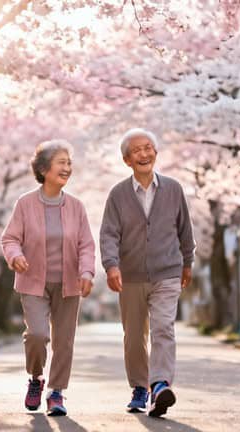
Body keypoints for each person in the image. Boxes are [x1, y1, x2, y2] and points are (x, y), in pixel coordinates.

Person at [99, 128, 195, 417]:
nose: (144, 154)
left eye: (149, 148)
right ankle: (139, 387)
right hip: (130, 276)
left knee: (163, 327)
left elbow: (185, 229)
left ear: (155, 153)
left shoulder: (173, 189)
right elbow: (109, 234)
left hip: (167, 272)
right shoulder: (118, 194)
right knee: (134, 336)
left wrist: (187, 261)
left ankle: (160, 384)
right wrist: (111, 265)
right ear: (127, 160)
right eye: (137, 150)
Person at [1, 139, 95, 417]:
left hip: (68, 284)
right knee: (37, 335)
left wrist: (87, 271)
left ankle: (56, 392)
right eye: (61, 163)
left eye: (69, 163)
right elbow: (10, 238)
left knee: (64, 340)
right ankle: (36, 378)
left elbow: (86, 244)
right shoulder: (25, 203)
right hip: (33, 281)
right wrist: (15, 256)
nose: (67, 168)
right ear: (43, 169)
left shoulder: (76, 206)